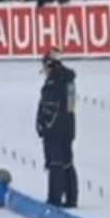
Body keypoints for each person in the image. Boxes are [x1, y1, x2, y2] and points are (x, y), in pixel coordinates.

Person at [36, 48, 79, 208]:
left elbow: (49, 108)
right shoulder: (68, 81)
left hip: (55, 129)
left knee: (55, 163)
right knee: (67, 163)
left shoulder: (54, 83)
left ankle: (55, 197)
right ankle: (71, 196)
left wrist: (42, 125)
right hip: (69, 126)